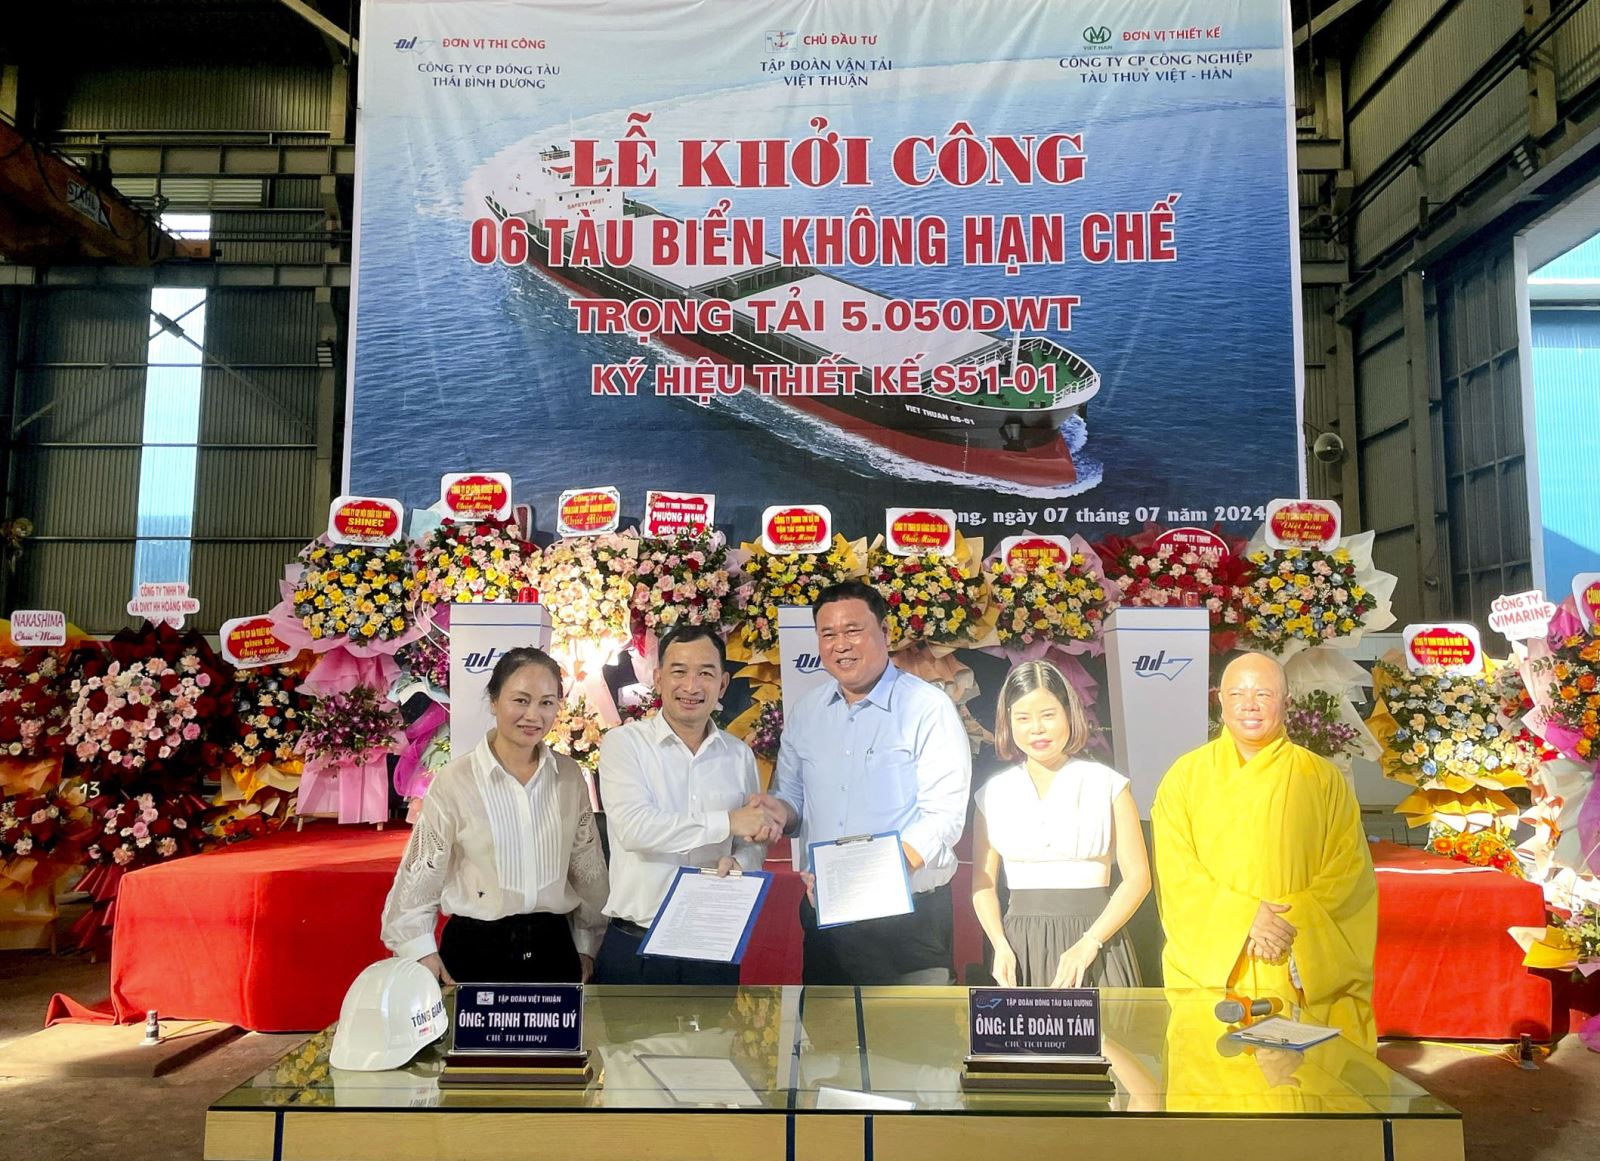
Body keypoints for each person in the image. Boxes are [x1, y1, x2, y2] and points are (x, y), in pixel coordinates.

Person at [1151, 652, 1378, 1048]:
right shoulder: (1185, 777)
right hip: (1217, 966)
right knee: (1216, 1078)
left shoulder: (1322, 778)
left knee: (1301, 1080)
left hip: (1294, 959)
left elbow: (1349, 873)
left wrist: (1286, 926)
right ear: (1219, 701)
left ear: (1286, 702)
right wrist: (1243, 918)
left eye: (1263, 694)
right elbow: (1177, 872)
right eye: (1237, 694)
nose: (1249, 705)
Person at [751, 580, 972, 985]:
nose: (841, 645)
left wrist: (874, 876)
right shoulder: (808, 711)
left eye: (853, 630)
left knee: (910, 1027)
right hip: (826, 912)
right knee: (828, 1025)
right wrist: (777, 812)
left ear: (885, 633)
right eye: (828, 634)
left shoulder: (927, 708)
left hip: (907, 919)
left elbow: (943, 817)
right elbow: (793, 798)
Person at [380, 647, 609, 985]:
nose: (533, 715)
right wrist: (421, 950)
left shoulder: (569, 777)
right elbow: (420, 877)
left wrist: (587, 945)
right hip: (475, 950)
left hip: (553, 950)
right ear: (493, 700)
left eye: (546, 703)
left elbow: (587, 870)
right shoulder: (456, 780)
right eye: (521, 700)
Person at [594, 624, 774, 985]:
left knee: (715, 1026)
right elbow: (635, 829)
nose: (691, 686)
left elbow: (752, 839)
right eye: (679, 672)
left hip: (711, 942)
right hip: (637, 943)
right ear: (658, 678)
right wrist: (727, 822)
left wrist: (741, 861)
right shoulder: (624, 744)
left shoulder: (738, 755)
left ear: (723, 684)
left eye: (705, 673)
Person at [972, 660, 1148, 988]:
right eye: (1023, 718)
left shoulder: (1108, 784)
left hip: (1097, 945)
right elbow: (982, 885)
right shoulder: (992, 793)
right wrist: (999, 945)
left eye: (1048, 715)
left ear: (1069, 713)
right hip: (1020, 948)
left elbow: (1138, 878)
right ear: (1008, 721)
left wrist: (1090, 942)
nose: (1037, 729)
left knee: (1107, 1023)